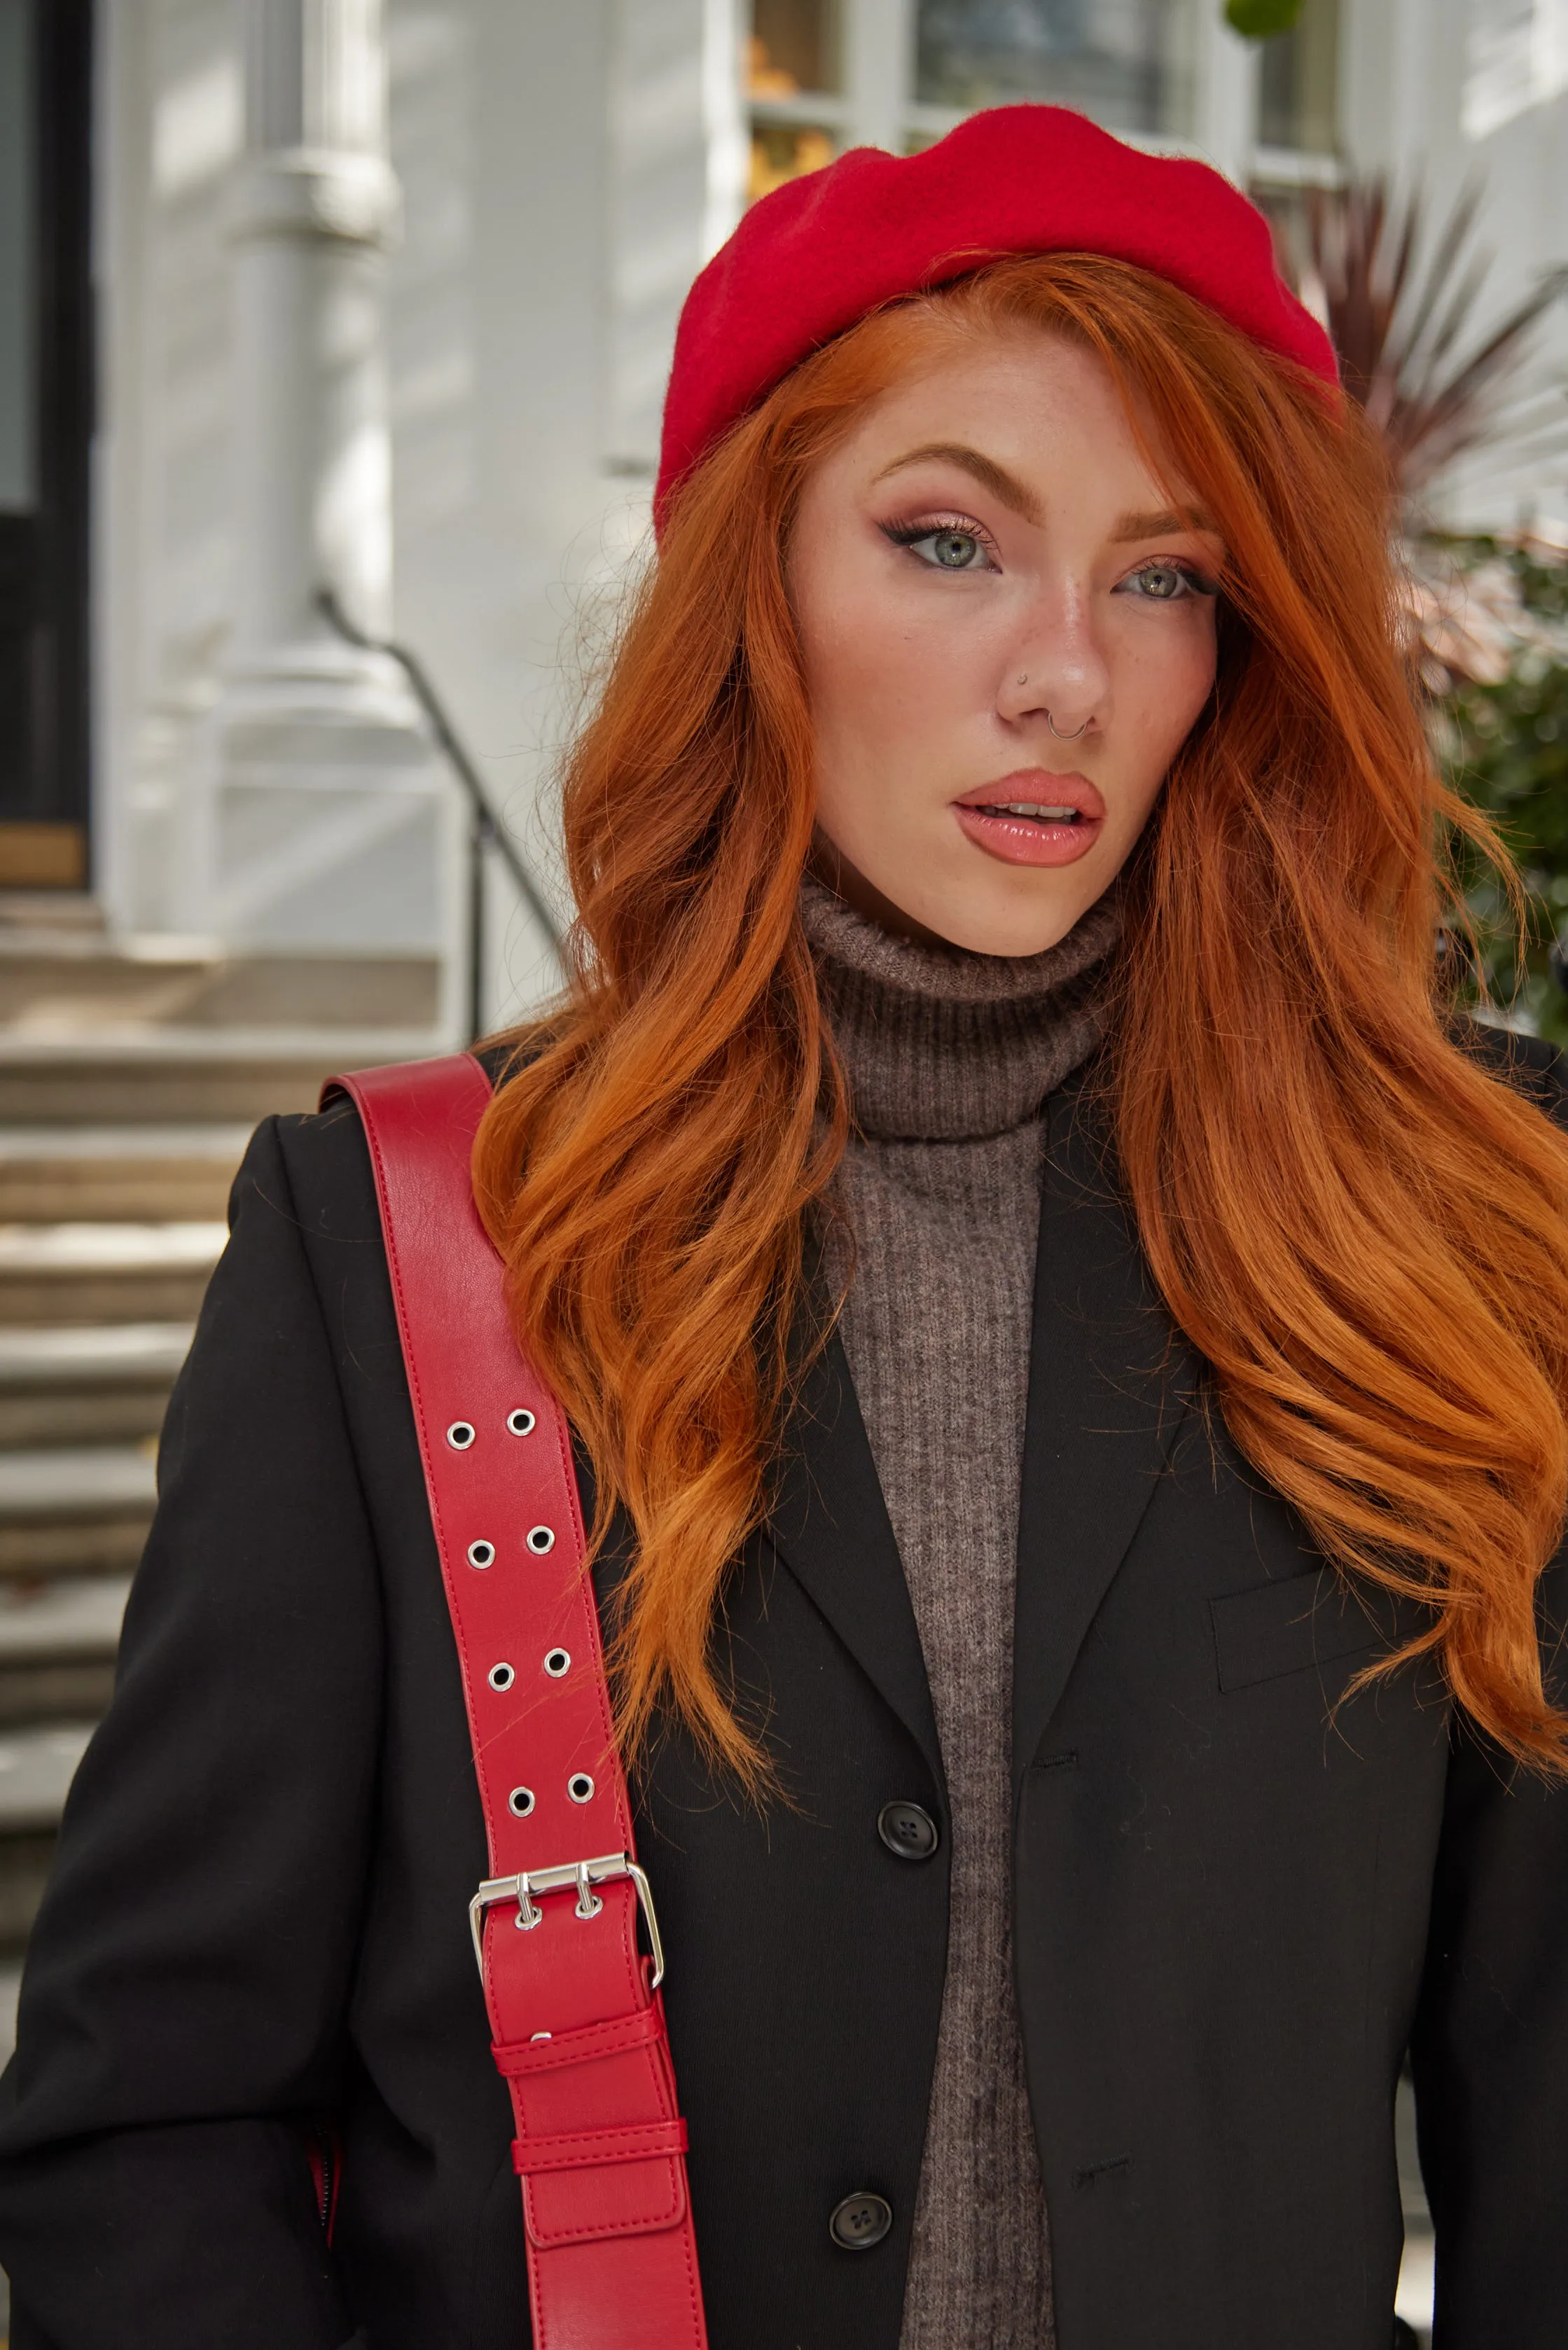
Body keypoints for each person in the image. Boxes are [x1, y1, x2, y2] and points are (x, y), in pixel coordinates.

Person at [1, 102, 1566, 2350]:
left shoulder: (1452, 1226)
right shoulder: (407, 1243)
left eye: (1161, 574)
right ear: (760, 586)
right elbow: (150, 2124)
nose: (1065, 676)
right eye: (949, 543)